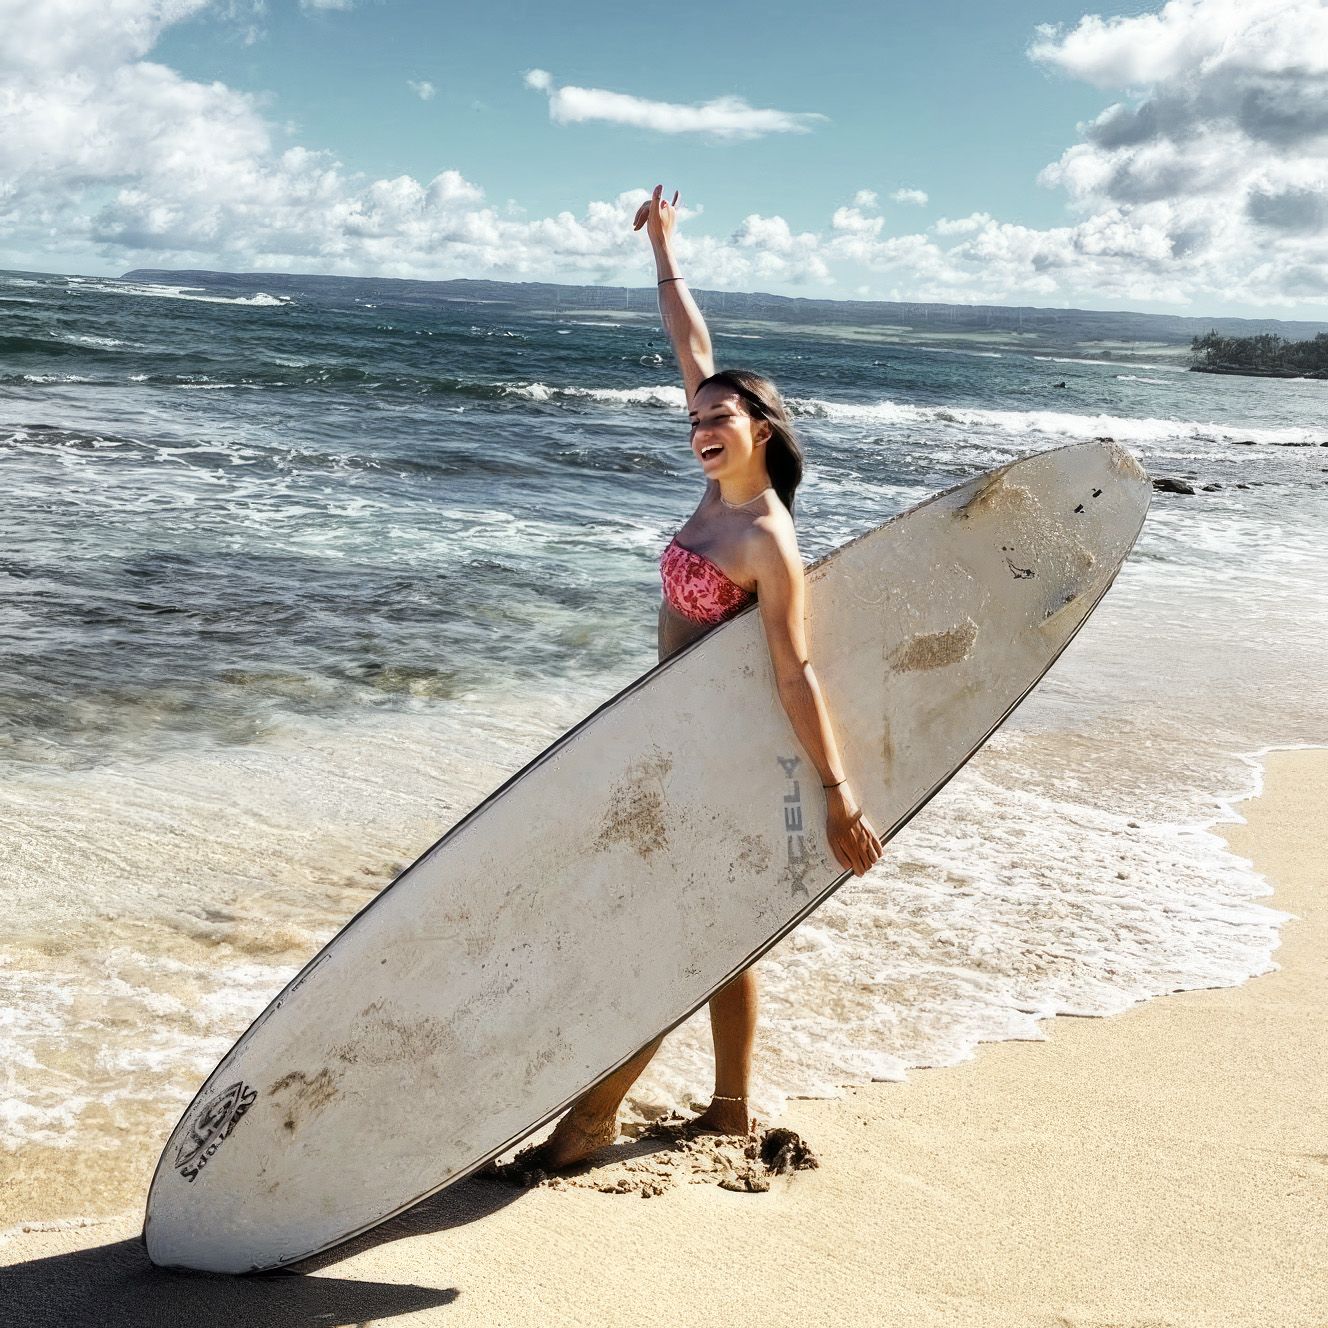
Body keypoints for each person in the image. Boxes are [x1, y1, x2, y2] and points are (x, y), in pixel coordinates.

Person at [518, 185, 884, 1172]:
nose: (700, 423)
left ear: (761, 426)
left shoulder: (766, 536)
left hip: (721, 752)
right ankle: (727, 1109)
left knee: (677, 929)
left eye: (719, 415)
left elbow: (795, 670)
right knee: (723, 929)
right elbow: (693, 342)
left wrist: (838, 794)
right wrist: (664, 249)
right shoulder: (715, 491)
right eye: (695, 415)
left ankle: (594, 1116)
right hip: (673, 737)